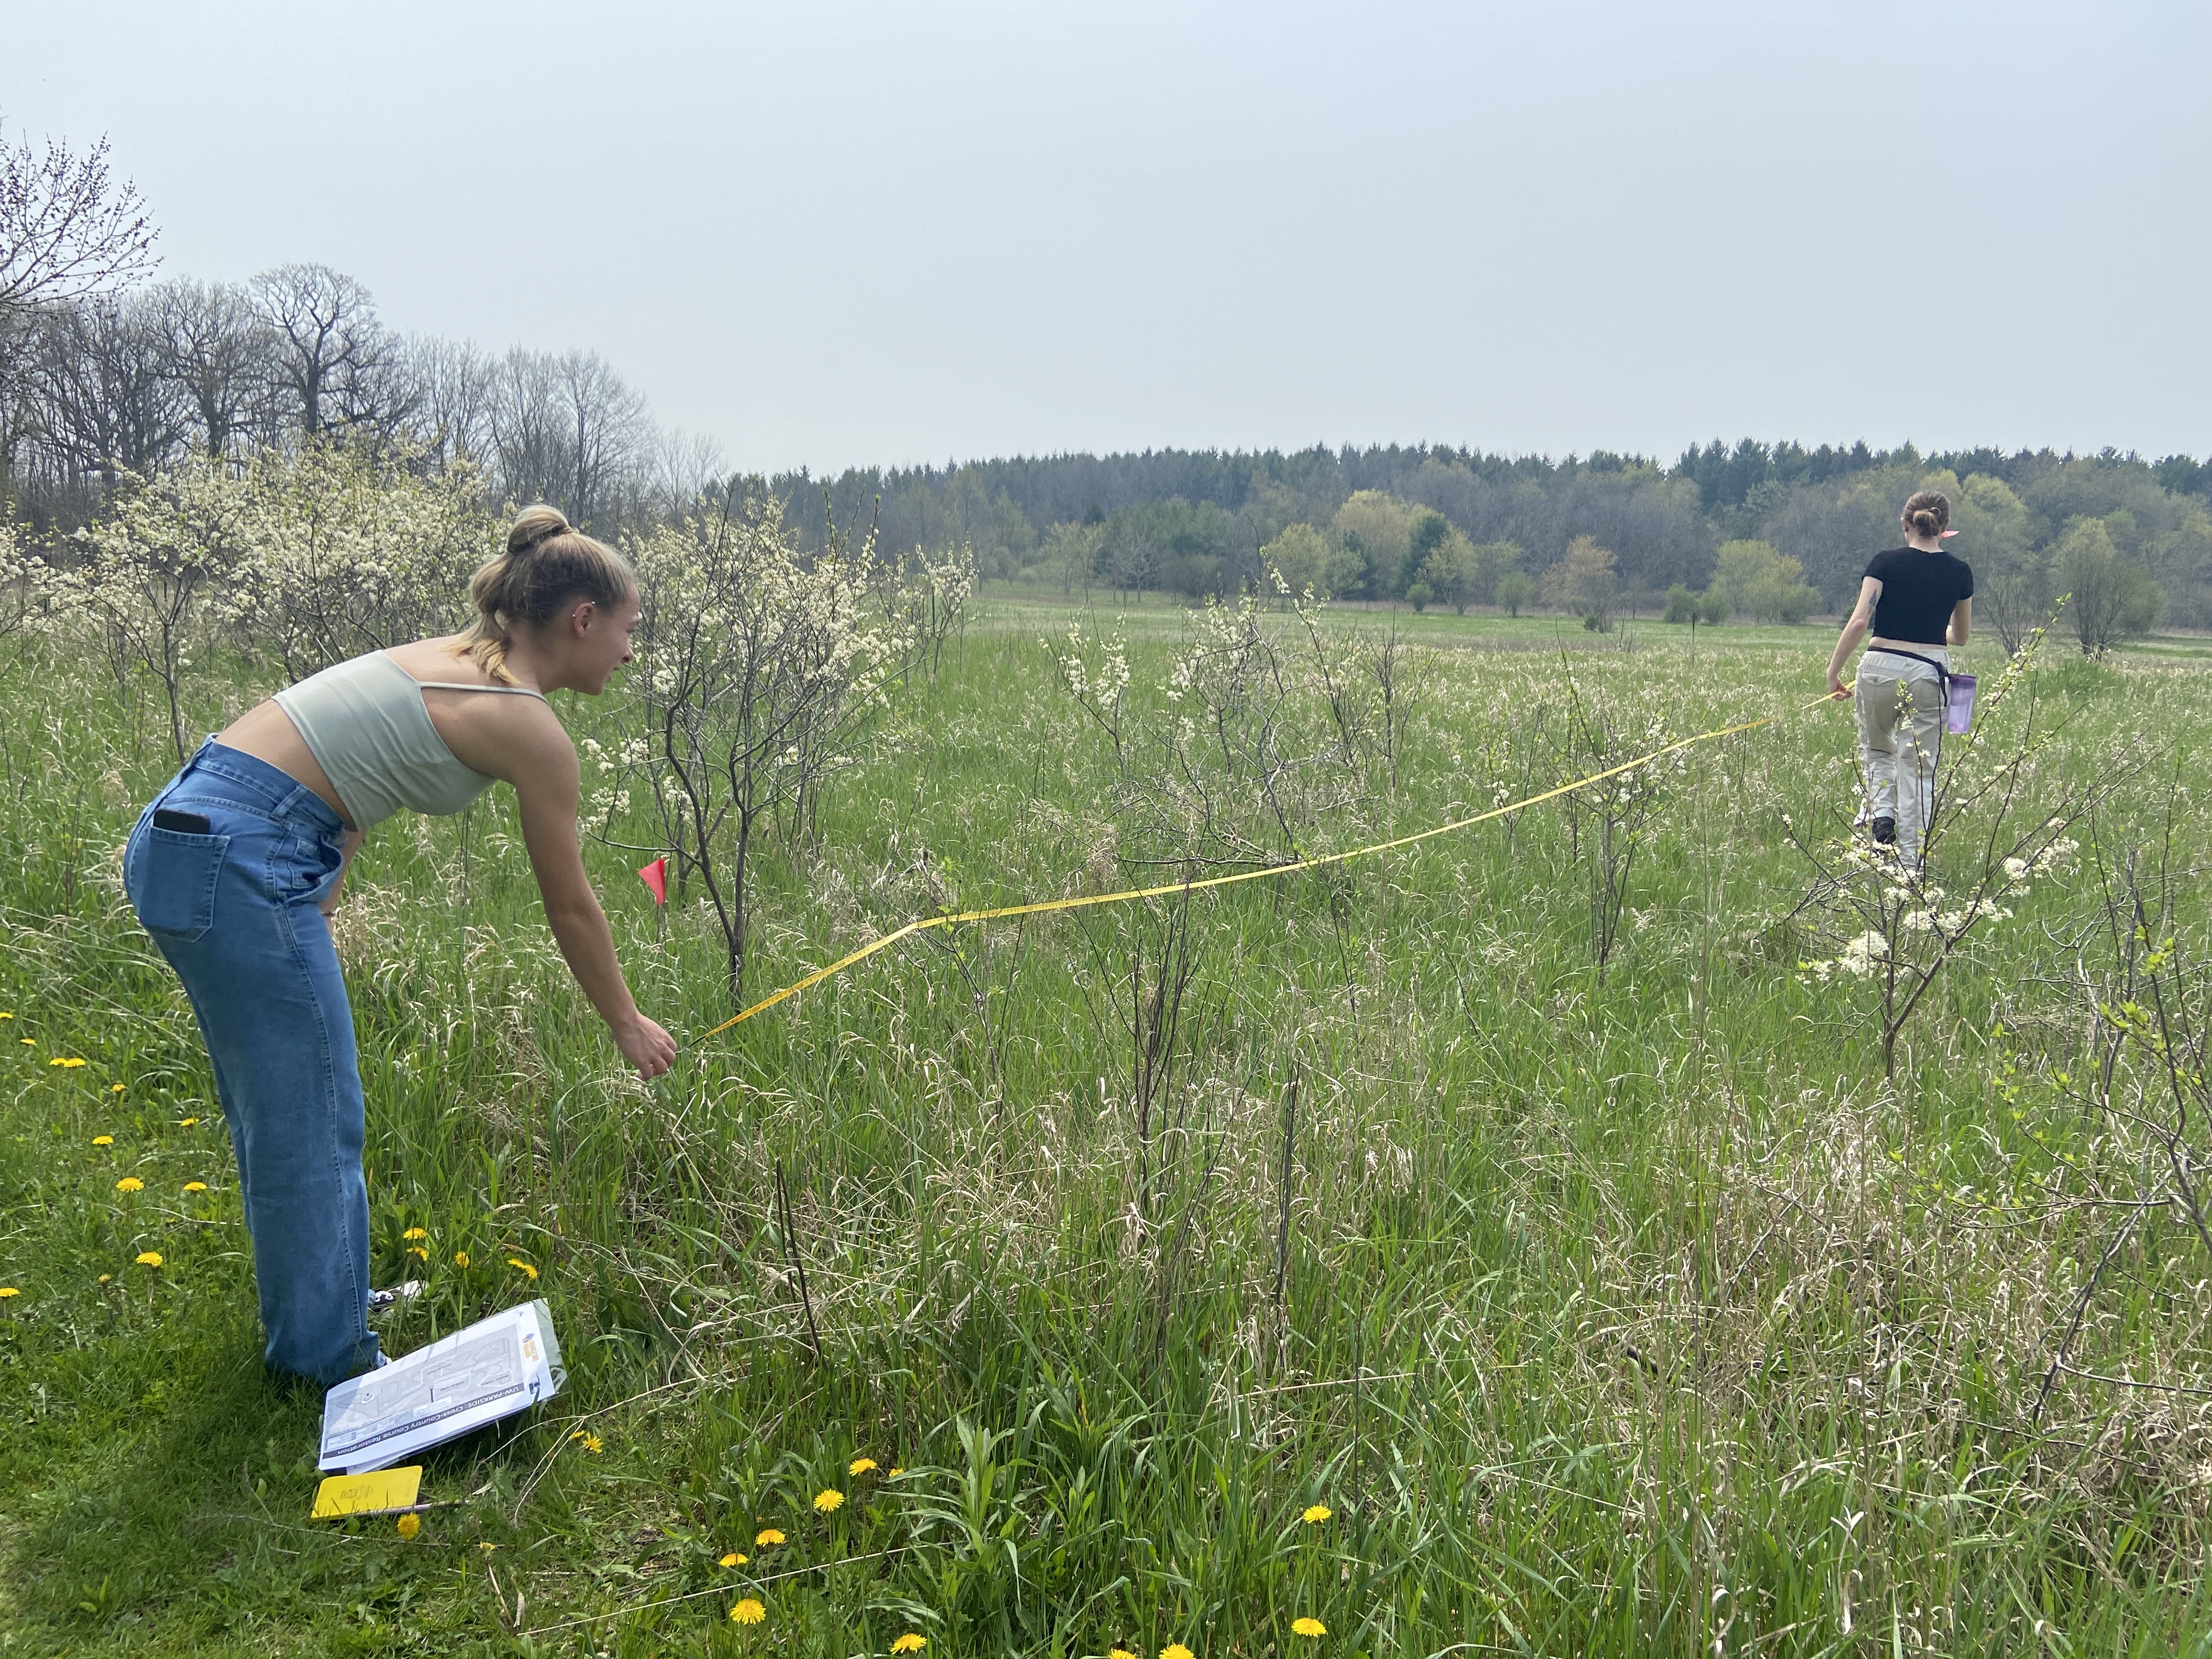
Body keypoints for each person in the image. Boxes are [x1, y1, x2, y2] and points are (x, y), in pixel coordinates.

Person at [121, 506, 676, 1386]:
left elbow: (341, 774)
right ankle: (328, 1362)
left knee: (286, 1110)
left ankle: (325, 1306)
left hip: (196, 836)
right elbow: (570, 906)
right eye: (628, 630)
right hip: (239, 857)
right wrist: (626, 1021)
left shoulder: (452, 657)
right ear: (582, 619)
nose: (630, 651)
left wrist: (321, 896)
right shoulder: (526, 721)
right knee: (310, 1117)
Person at [1824, 489, 1973, 868]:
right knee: (1918, 768)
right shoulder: (1960, 573)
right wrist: (1928, 632)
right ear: (1945, 530)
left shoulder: (1884, 563)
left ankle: (1883, 817)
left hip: (1878, 667)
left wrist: (1834, 671)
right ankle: (1910, 866)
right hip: (1928, 672)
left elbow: (1859, 621)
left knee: (1877, 751)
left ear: (1905, 525)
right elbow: (1961, 636)